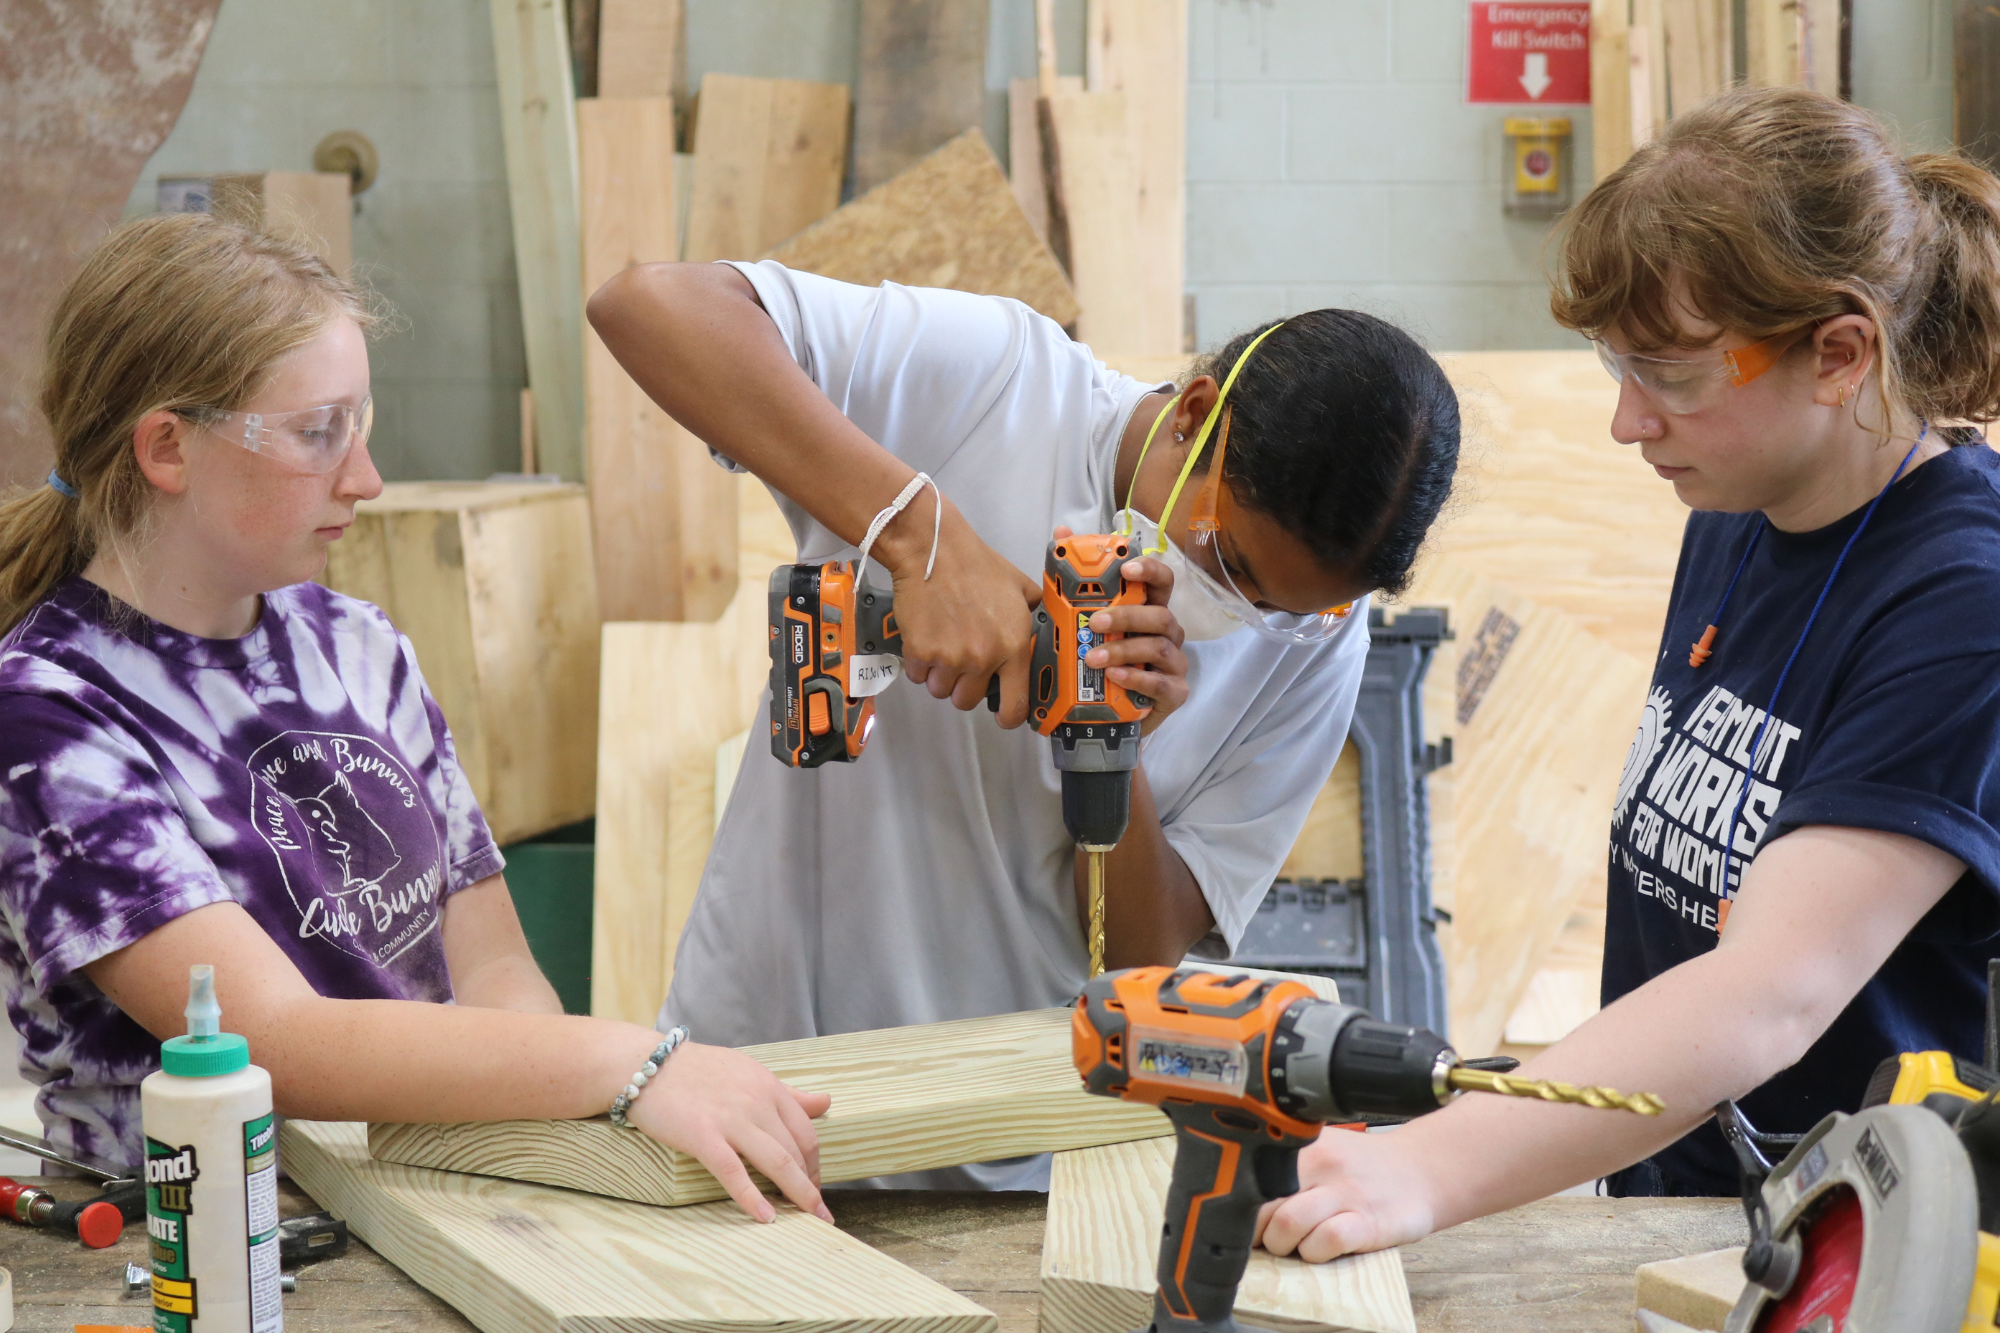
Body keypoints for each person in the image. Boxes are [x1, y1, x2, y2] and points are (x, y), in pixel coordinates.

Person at [1257, 84, 2000, 1260]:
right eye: (1613, 363)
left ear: (1838, 353)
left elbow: (1770, 989)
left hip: (1861, 1253)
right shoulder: (1738, 505)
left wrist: (1428, 1165)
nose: (1623, 421)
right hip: (1686, 1209)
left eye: (1670, 373)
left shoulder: (1963, 598)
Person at [0, 213, 828, 1224]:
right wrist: (631, 1063)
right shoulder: (48, 715)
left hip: (426, 1195)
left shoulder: (356, 644)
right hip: (193, 1237)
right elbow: (270, 1040)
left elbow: (490, 963)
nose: (364, 476)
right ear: (168, 447)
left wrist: (544, 1148)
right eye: (318, 431)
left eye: (363, 423)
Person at [586, 258, 1461, 1186]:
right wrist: (920, 536)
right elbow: (646, 306)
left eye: (1284, 607)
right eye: (1232, 562)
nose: (1246, 614)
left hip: (1008, 1143)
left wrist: (1115, 750)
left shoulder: (1319, 641)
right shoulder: (1001, 383)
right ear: (1199, 411)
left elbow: (1143, 959)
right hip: (752, 1079)